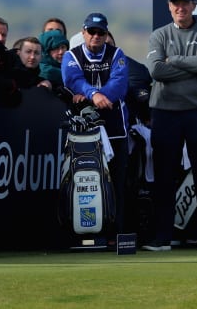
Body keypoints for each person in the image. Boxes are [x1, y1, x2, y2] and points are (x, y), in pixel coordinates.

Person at [144, 0, 197, 251]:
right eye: (175, 3)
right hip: (166, 112)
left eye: (185, 3)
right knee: (164, 176)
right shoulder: (159, 35)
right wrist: (191, 64)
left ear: (193, 6)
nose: (180, 7)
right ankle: (162, 237)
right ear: (169, 6)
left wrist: (174, 60)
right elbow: (156, 71)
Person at [61, 12, 131, 235]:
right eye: (92, 32)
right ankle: (83, 232)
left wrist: (98, 97)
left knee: (116, 184)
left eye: (101, 32)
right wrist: (94, 94)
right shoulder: (71, 55)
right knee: (85, 182)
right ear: (83, 33)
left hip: (114, 129)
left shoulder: (116, 53)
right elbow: (72, 79)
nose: (96, 36)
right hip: (84, 130)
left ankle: (115, 234)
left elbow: (119, 83)